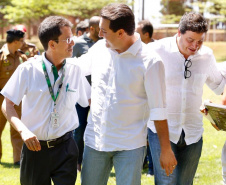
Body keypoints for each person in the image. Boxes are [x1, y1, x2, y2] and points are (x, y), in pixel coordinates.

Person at [73, 3, 177, 185]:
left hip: (130, 146)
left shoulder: (151, 62)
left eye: (103, 31)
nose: (99, 35)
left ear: (120, 33)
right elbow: (75, 69)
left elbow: (159, 110)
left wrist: (166, 149)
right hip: (95, 141)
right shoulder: (99, 49)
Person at [1, 16, 90, 185]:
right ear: (52, 44)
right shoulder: (27, 69)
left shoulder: (75, 70)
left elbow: (90, 100)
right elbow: (8, 104)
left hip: (66, 148)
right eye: (68, 39)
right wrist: (23, 131)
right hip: (35, 150)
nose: (73, 43)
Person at [147, 12, 225, 185]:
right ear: (179, 33)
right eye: (190, 40)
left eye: (200, 41)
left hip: (193, 133)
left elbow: (219, 86)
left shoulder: (207, 55)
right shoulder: (156, 50)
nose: (195, 46)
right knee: (166, 183)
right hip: (162, 131)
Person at [72, 15, 100, 172]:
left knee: (97, 128)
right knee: (79, 129)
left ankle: (96, 162)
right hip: (81, 95)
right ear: (91, 29)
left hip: (99, 95)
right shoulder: (78, 44)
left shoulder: (106, 44)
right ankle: (77, 161)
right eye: (99, 29)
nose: (103, 32)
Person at [0, 29, 27, 165]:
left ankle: (18, 159)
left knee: (17, 129)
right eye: (22, 41)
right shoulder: (1, 56)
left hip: (18, 99)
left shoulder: (22, 56)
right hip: (1, 99)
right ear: (16, 42)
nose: (24, 43)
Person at [135, 19, 155, 176]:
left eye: (138, 32)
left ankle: (151, 168)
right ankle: (142, 163)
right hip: (139, 100)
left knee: (151, 134)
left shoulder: (156, 51)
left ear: (146, 34)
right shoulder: (135, 49)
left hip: (152, 101)